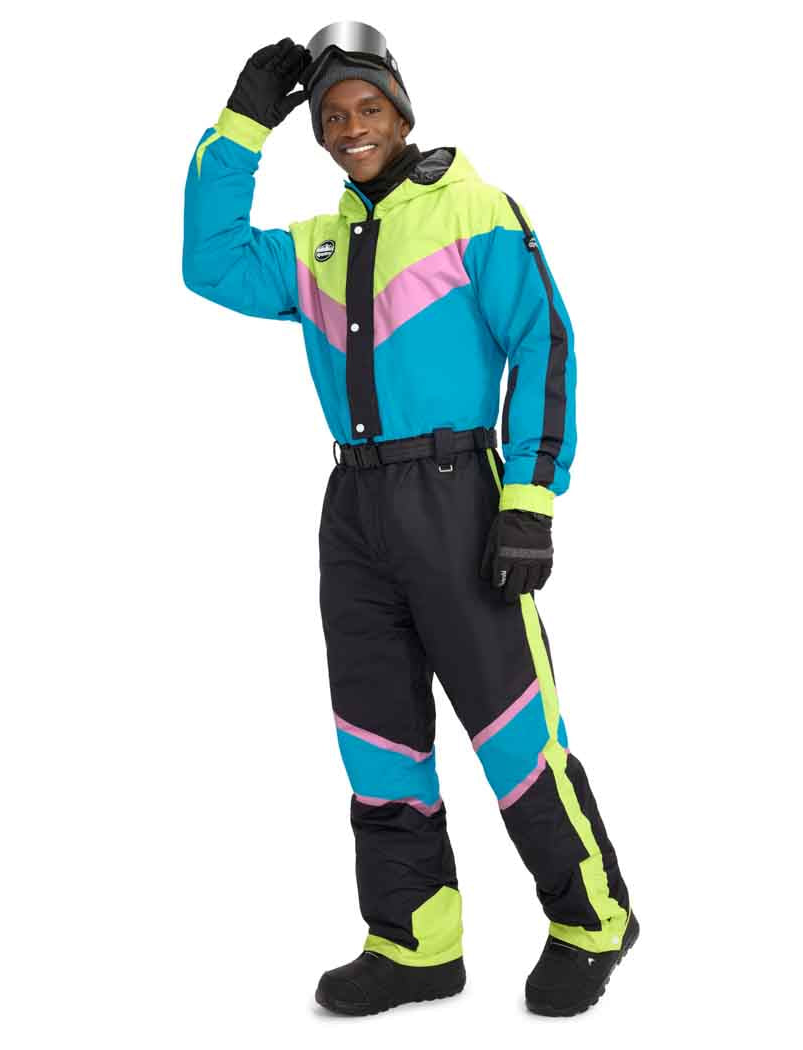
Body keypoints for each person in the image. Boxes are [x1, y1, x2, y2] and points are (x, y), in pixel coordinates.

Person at [182, 25, 639, 1018]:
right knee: (377, 736)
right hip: (354, 510)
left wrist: (529, 499)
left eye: (369, 108)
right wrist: (244, 123)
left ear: (402, 109)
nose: (352, 129)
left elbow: (546, 343)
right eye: (332, 117)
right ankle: (414, 940)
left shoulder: (476, 209)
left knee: (513, 729)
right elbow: (209, 263)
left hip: (458, 495)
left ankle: (592, 920)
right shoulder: (316, 246)